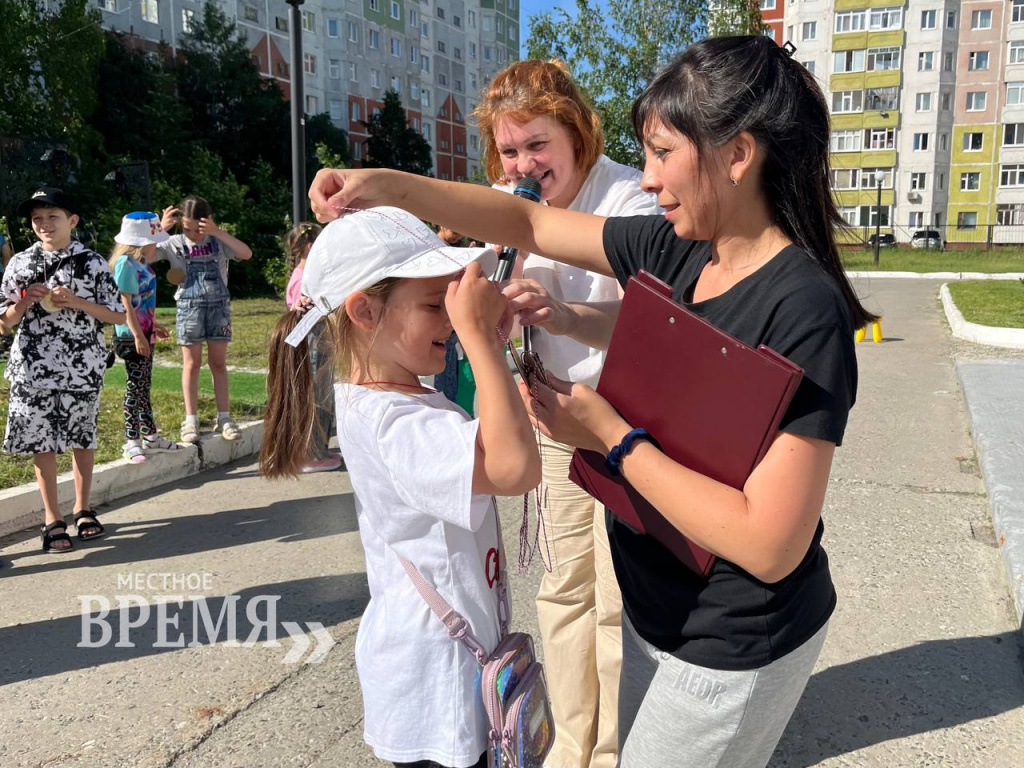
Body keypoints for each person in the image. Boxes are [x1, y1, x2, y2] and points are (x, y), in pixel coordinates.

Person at [309, 34, 874, 768]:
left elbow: (770, 545)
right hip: (658, 611)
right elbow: (529, 222)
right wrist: (383, 184)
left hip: (733, 637)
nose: (646, 180)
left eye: (664, 154)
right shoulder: (683, 251)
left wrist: (611, 434)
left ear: (738, 156)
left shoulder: (803, 310)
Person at [260, 207, 540, 768]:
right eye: (435, 306)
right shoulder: (397, 423)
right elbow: (514, 469)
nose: (450, 321)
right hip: (435, 681)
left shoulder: (400, 400)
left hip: (449, 663)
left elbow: (495, 444)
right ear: (365, 311)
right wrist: (481, 342)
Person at [475, 58, 661, 768]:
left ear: (577, 131)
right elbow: (514, 283)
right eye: (510, 149)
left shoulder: (630, 197)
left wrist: (559, 311)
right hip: (555, 423)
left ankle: (611, 748)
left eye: (537, 144)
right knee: (561, 588)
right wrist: (501, 277)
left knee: (615, 597)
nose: (522, 163)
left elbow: (635, 318)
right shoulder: (515, 205)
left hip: (623, 425)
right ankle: (572, 742)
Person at [1, 187, 125, 552]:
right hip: (32, 369)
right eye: (37, 219)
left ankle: (83, 508)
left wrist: (77, 301)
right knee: (42, 443)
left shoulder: (93, 263)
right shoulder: (20, 263)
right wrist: (24, 302)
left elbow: (118, 315)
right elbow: (3, 323)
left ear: (72, 220)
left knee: (81, 438)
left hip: (81, 367)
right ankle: (52, 518)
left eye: (52, 217)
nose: (44, 225)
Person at [157, 195, 252, 443]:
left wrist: (217, 231)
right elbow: (141, 256)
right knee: (192, 364)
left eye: (197, 229)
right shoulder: (173, 242)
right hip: (189, 309)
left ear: (208, 221)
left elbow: (246, 253)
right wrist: (161, 230)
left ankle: (224, 417)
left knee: (218, 363)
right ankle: (191, 419)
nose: (193, 235)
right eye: (187, 229)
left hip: (218, 308)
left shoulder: (218, 242)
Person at [109, 212, 182, 462]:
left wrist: (155, 325)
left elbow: (142, 303)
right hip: (132, 336)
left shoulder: (142, 264)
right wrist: (139, 336)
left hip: (144, 332)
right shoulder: (125, 265)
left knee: (143, 387)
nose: (157, 245)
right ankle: (131, 441)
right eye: (153, 240)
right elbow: (126, 304)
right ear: (140, 242)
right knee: (134, 387)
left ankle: (150, 436)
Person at [282, 221, 342, 473]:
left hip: (317, 341)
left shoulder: (302, 275)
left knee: (321, 394)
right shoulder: (303, 278)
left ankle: (316, 449)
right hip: (314, 343)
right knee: (318, 396)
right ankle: (313, 454)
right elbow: (304, 314)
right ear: (310, 246)